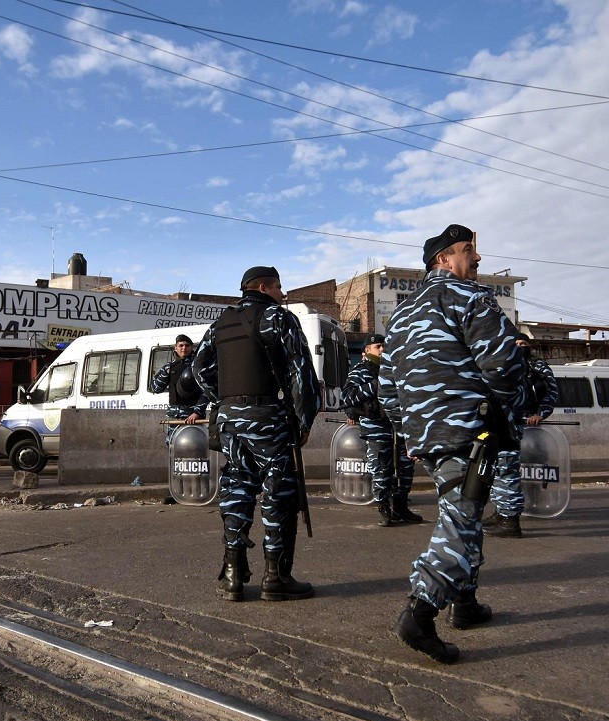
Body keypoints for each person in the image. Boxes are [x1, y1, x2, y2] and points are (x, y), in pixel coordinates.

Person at [378, 224, 525, 664]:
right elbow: (503, 364)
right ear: (443, 259)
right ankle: (420, 615)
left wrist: (410, 432)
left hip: (427, 436)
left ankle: (466, 604)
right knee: (461, 521)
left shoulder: (400, 316)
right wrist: (506, 416)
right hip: (470, 431)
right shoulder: (471, 298)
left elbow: (387, 389)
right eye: (467, 251)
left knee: (463, 512)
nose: (476, 259)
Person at [192, 265, 322, 602]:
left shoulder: (221, 322)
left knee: (237, 489)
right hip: (269, 418)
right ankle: (275, 577)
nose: (283, 294)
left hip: (229, 421)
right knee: (278, 493)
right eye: (279, 287)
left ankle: (233, 576)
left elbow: (199, 369)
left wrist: (223, 399)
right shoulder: (279, 318)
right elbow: (302, 374)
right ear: (263, 287)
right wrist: (303, 420)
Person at [341, 334, 421, 526]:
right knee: (381, 468)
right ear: (367, 351)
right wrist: (377, 385)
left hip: (399, 428)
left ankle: (401, 505)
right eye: (378, 346)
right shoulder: (360, 371)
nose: (383, 349)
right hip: (377, 428)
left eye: (384, 346)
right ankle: (384, 506)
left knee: (405, 468)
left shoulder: (396, 369)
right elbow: (347, 397)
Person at [486, 335, 559, 539]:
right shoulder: (505, 365)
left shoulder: (537, 367)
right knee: (499, 469)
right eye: (516, 345)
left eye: (523, 345)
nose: (519, 348)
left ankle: (510, 519)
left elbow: (551, 392)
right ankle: (501, 512)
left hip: (525, 426)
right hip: (505, 423)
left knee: (511, 470)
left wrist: (540, 414)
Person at [151, 333, 209, 504]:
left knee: (198, 455)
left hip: (193, 418)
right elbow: (155, 387)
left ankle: (200, 491)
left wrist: (197, 412)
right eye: (181, 345)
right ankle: (177, 492)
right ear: (175, 348)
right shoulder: (170, 367)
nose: (184, 348)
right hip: (174, 418)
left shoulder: (198, 367)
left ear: (192, 348)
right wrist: (166, 372)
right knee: (175, 455)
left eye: (187, 345)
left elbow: (207, 392)